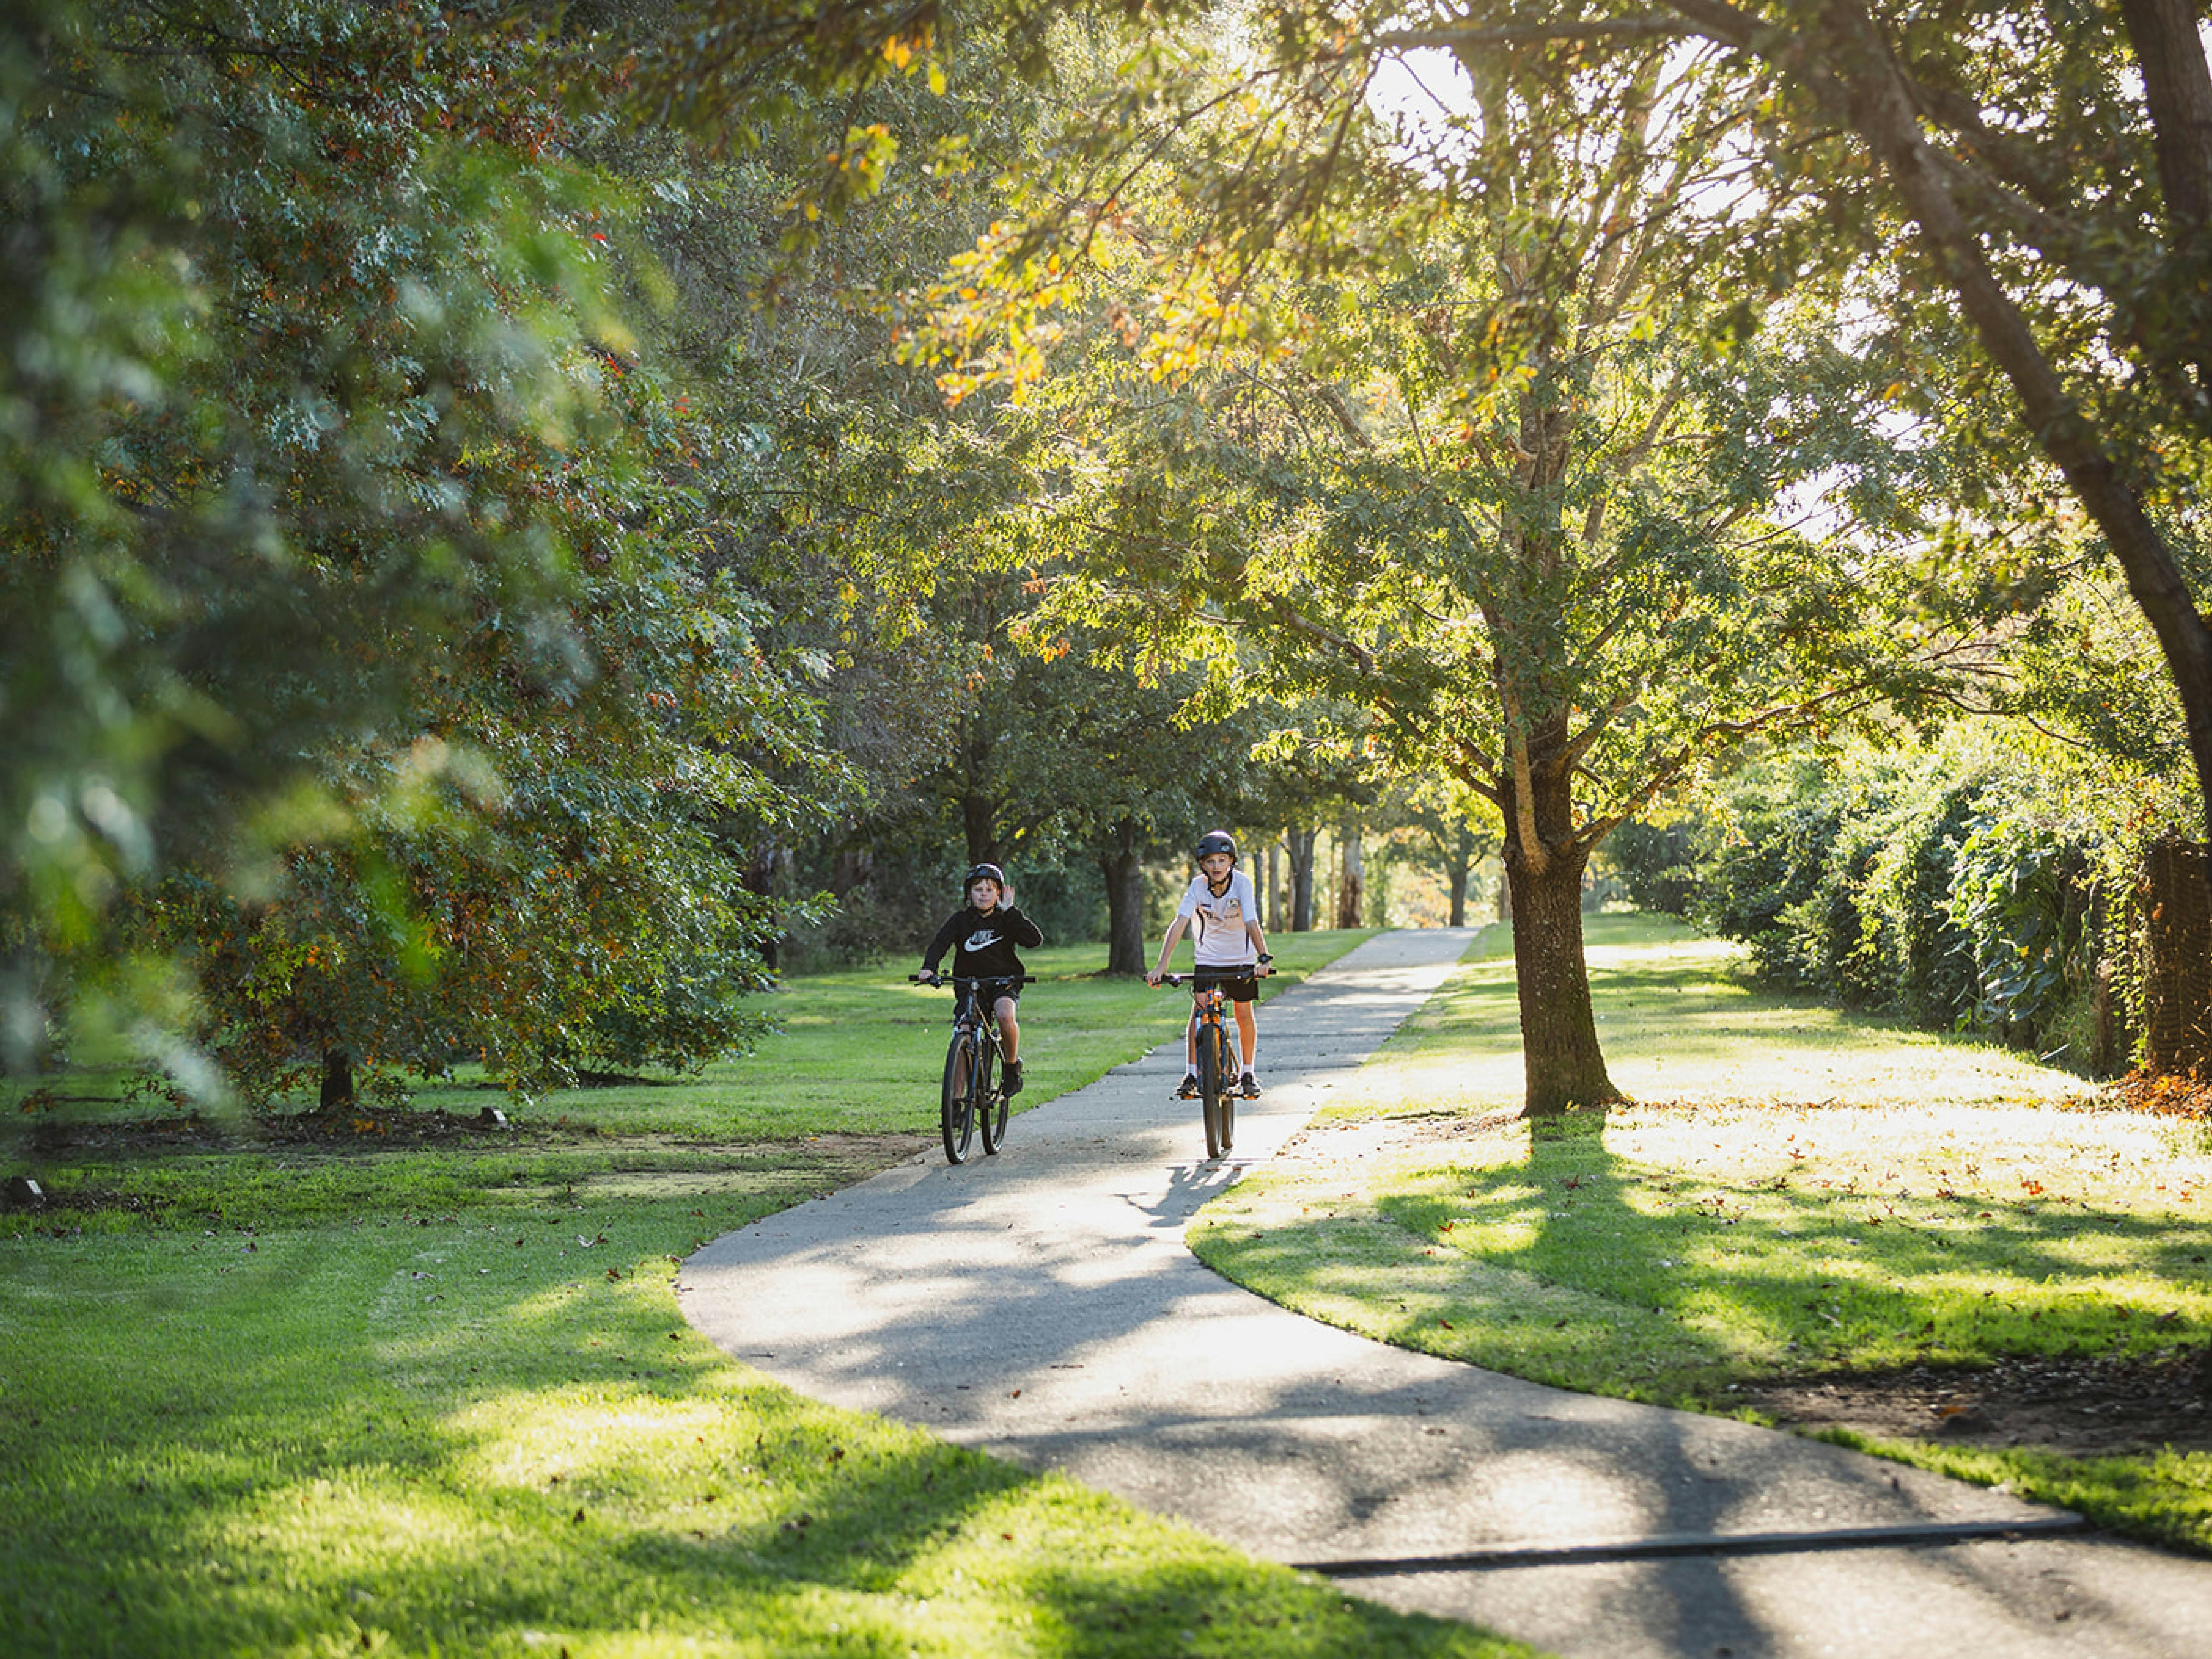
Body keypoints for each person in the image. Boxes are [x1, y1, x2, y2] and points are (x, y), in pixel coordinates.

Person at [1147, 830, 1272, 1099]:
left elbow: (1251, 922)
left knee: (1242, 1013)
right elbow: (1179, 923)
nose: (1216, 867)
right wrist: (1161, 966)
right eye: (1210, 862)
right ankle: (1192, 1073)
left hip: (1241, 959)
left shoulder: (1242, 884)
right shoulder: (1197, 887)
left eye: (1222, 860)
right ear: (1202, 865)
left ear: (1231, 862)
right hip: (1208, 958)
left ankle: (1248, 1073)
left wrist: (1263, 957)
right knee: (1200, 1012)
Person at [919, 863, 1044, 1094]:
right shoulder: (960, 920)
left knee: (1006, 1015)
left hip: (1003, 981)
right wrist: (929, 968)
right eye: (978, 889)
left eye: (989, 889)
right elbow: (939, 944)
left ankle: (1011, 1067)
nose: (984, 894)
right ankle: (955, 1102)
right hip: (969, 984)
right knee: (963, 1032)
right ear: (969, 894)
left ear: (999, 894)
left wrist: (1011, 912)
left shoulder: (1006, 919)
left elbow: (1034, 940)